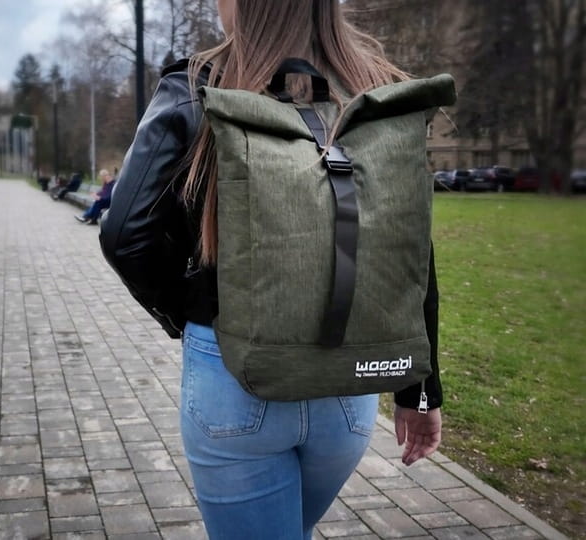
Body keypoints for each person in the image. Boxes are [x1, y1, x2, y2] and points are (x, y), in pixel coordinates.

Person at [100, 1, 443, 538]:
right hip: (352, 379)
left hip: (234, 375)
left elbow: (125, 233)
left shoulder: (199, 86)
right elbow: (409, 250)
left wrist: (187, 312)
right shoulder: (376, 87)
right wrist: (419, 393)